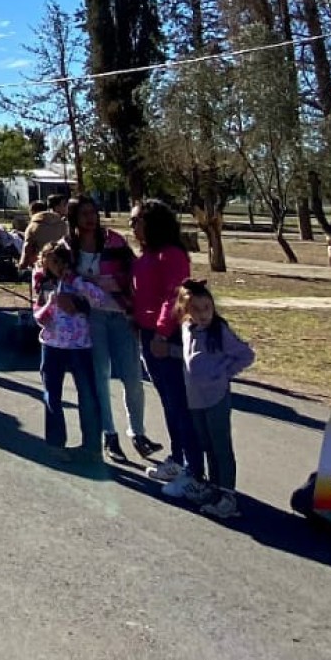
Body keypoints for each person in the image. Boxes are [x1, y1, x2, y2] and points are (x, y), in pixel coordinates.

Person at [66, 196, 157, 463]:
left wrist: (109, 283)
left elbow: (134, 274)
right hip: (91, 318)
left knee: (132, 376)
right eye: (83, 214)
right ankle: (110, 434)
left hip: (120, 314)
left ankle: (138, 432)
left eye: (92, 212)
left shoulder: (114, 241)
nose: (89, 218)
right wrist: (76, 289)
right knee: (100, 377)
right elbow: (55, 274)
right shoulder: (68, 247)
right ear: (74, 218)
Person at [132, 198, 205, 499]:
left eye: (137, 220)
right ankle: (178, 458)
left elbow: (173, 296)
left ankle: (194, 471)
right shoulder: (147, 254)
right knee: (167, 402)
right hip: (147, 334)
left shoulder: (171, 254)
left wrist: (162, 333)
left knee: (180, 404)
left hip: (167, 337)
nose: (133, 226)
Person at [178, 279, 253, 519]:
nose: (203, 314)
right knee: (206, 444)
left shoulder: (219, 331)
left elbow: (246, 355)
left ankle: (228, 496)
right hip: (195, 398)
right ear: (185, 310)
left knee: (221, 445)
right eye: (196, 309)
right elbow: (190, 357)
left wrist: (222, 374)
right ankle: (214, 488)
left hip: (216, 397)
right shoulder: (187, 328)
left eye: (207, 308)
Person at [32, 242, 107, 463]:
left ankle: (92, 446)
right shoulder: (45, 284)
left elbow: (99, 299)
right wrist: (50, 306)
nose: (57, 266)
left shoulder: (77, 282)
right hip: (52, 345)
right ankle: (55, 443)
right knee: (51, 395)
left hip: (79, 346)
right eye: (51, 262)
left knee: (87, 395)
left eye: (60, 261)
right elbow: (37, 314)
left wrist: (76, 286)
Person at [22, 194, 69, 271]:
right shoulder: (64, 225)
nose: (67, 207)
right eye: (64, 205)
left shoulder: (35, 224)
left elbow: (27, 248)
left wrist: (22, 266)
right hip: (61, 265)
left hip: (40, 264)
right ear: (57, 207)